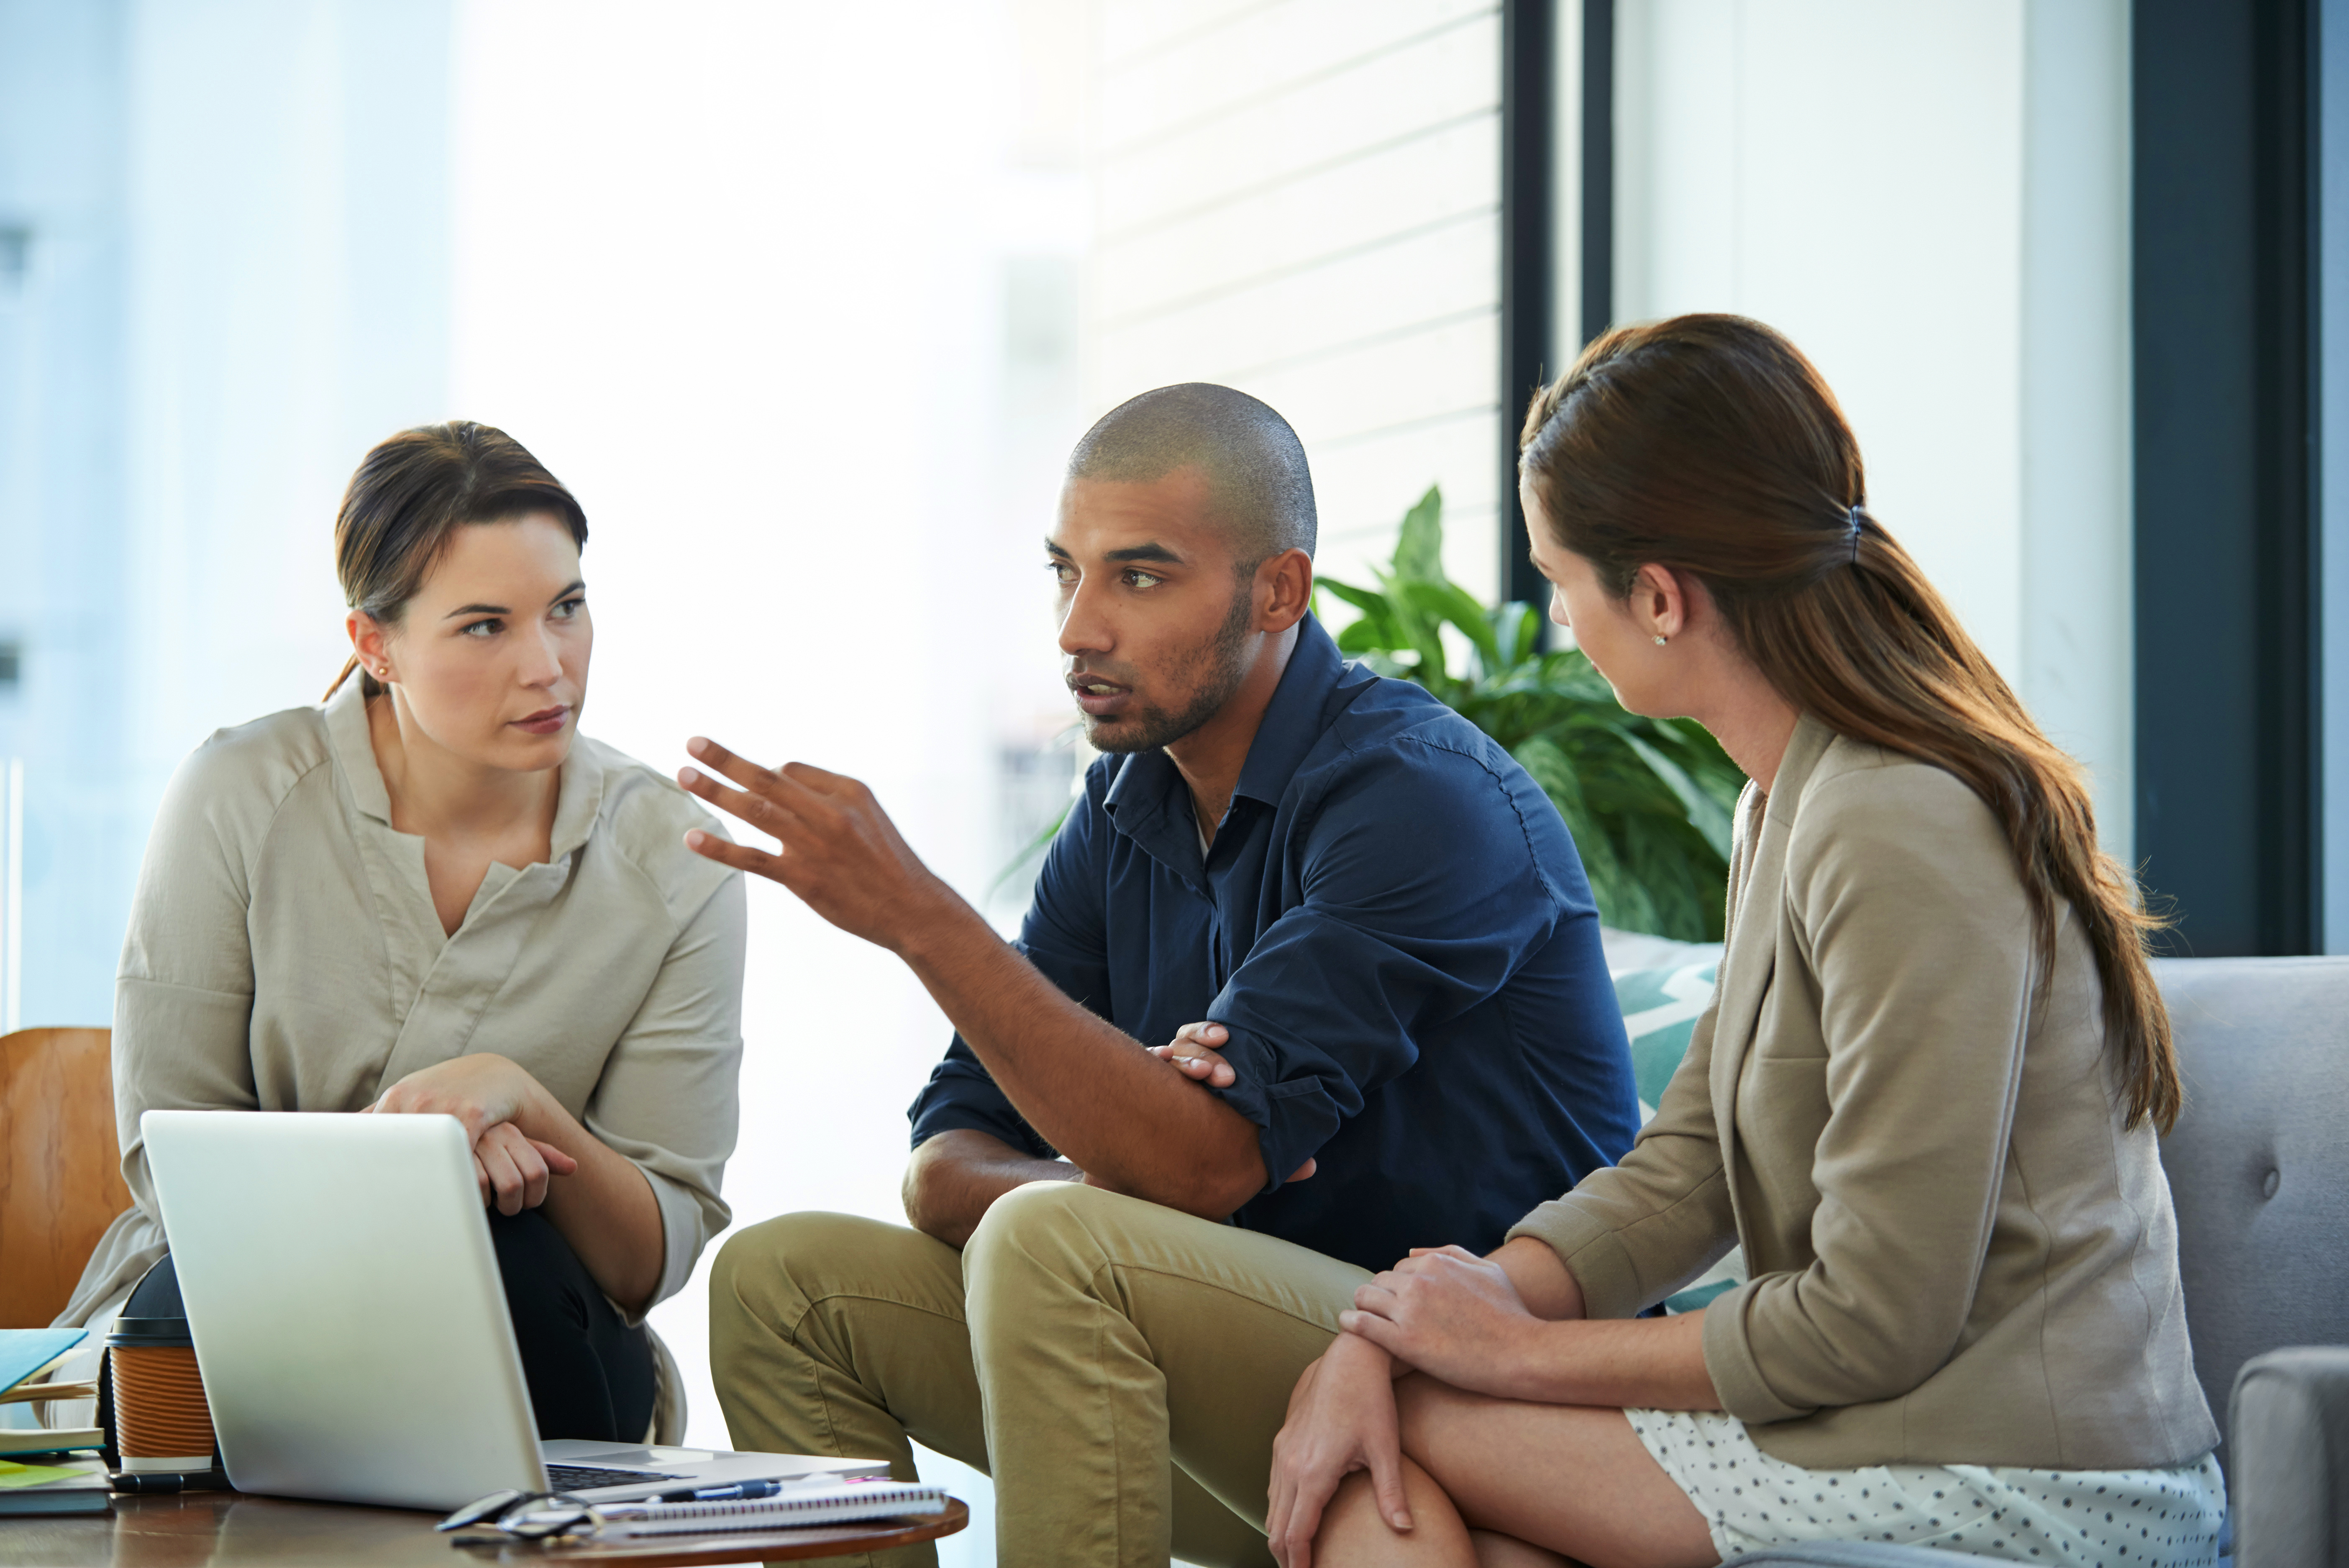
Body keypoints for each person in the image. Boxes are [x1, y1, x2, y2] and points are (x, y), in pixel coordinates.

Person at [1237, 315, 2223, 1568]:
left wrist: (1512, 1349)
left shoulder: (1898, 822)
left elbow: (1874, 1320)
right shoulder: (1791, 796)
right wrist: (1423, 1317)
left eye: (1559, 576)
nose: (1556, 619)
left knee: (1403, 1439)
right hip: (1898, 1431)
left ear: (1657, 595)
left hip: (2036, 1479)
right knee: (1422, 1488)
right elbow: (1692, 1163)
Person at [687, 383, 1641, 1566]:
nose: (1078, 627)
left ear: (1278, 589)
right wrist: (1118, 1148)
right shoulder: (1129, 804)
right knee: (783, 1282)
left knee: (1056, 1240)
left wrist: (923, 919)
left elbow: (1199, 1161)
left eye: (1139, 576)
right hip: (1260, 1357)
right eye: (1064, 572)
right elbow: (944, 1166)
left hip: (1476, 1380)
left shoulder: (1417, 799)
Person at [51, 422, 746, 1446]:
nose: (547, 666)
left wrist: (518, 1096)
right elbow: (177, 1162)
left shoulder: (676, 858)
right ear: (375, 646)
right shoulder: (237, 793)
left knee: (501, 1263)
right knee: (189, 1327)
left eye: (567, 608)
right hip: (238, 1295)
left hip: (535, 1328)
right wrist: (419, 1162)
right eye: (484, 626)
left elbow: (649, 1256)